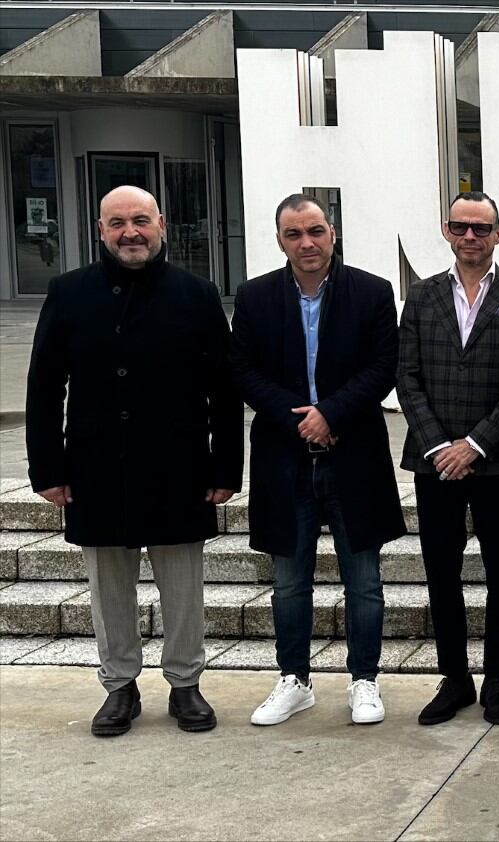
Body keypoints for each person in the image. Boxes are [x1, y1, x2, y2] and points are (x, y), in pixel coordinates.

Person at [25, 186, 241, 736]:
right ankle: (119, 687)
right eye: (117, 222)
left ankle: (186, 684)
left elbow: (224, 389)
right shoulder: (68, 292)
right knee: (108, 587)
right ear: (101, 230)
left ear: (161, 224)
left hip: (179, 466)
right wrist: (47, 469)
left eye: (140, 220)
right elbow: (44, 387)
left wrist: (225, 469)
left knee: (184, 587)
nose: (130, 232)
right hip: (96, 467)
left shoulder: (197, 294)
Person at [230, 193, 406, 727]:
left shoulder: (372, 292)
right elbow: (242, 372)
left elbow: (384, 367)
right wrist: (298, 419)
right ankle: (294, 679)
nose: (307, 243)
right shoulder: (256, 296)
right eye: (294, 234)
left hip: (353, 453)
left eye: (315, 231)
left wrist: (329, 413)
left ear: (332, 233)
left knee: (364, 579)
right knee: (288, 580)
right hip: (284, 457)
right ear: (279, 240)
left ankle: (364, 680)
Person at [396, 191, 499, 727]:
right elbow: (406, 377)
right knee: (441, 570)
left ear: (498, 234)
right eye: (461, 227)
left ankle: (497, 679)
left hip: (496, 458)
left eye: (482, 228)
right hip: (434, 461)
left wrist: (475, 443)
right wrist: (440, 445)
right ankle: (454, 678)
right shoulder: (422, 295)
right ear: (447, 231)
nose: (471, 237)